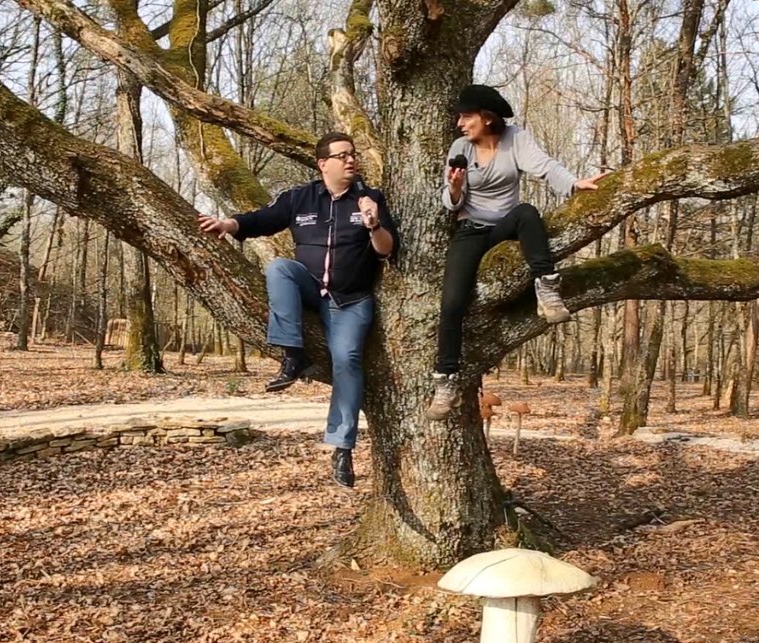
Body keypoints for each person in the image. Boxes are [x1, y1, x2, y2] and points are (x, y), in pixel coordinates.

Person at [198, 132, 399, 488]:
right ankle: (292, 355)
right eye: (343, 156)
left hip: (350, 301)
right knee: (278, 268)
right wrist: (229, 224)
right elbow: (264, 219)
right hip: (311, 291)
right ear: (324, 163)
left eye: (353, 155)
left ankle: (342, 447)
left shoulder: (370, 199)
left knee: (347, 360)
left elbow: (386, 251)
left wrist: (373, 224)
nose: (351, 161)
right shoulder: (300, 198)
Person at [426, 84, 610, 420]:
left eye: (466, 116)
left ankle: (547, 288)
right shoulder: (460, 147)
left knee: (527, 211)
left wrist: (573, 183)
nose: (460, 123)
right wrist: (453, 188)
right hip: (470, 230)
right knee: (452, 304)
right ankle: (446, 381)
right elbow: (451, 202)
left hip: (504, 225)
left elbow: (544, 165)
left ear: (486, 117)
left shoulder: (515, 138)